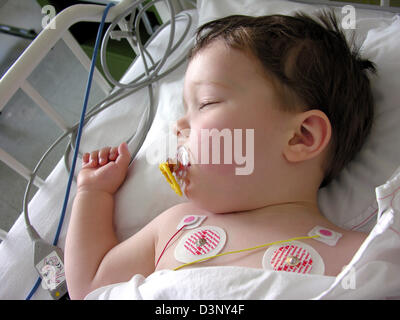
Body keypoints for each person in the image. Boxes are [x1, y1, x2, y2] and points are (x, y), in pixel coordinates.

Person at [65, 11, 376, 299]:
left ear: (301, 137)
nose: (179, 126)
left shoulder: (363, 257)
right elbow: (90, 286)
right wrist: (93, 192)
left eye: (207, 102)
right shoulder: (177, 224)